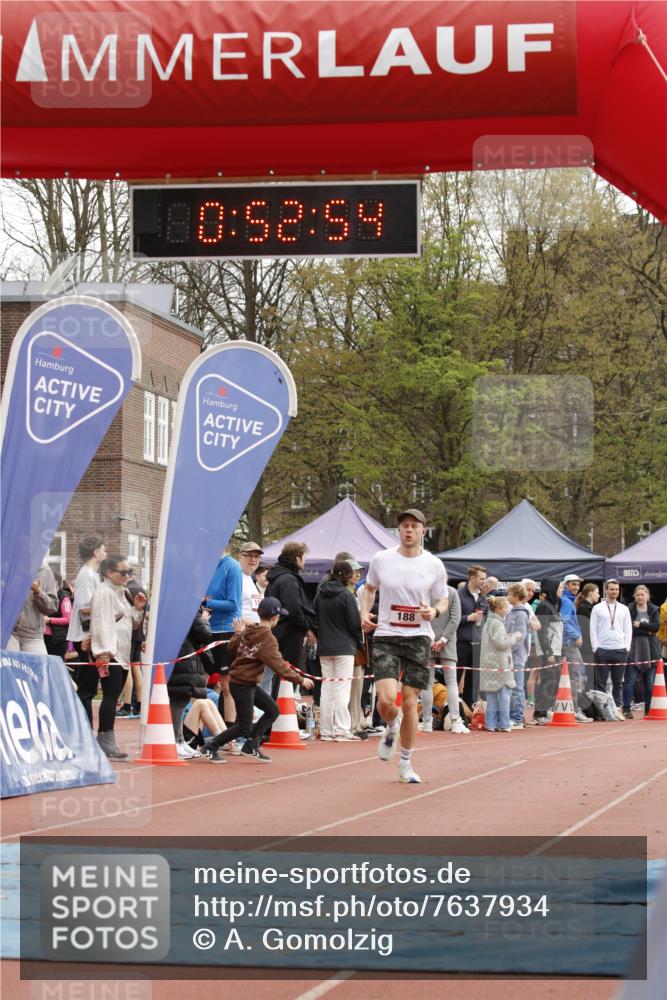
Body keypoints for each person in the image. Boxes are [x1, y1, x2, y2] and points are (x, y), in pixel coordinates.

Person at [360, 508, 448, 784]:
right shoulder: (381, 559)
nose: (408, 530)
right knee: (386, 701)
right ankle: (390, 725)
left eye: (414, 526)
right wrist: (364, 612)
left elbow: (443, 600)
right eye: (404, 526)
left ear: (423, 531)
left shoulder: (434, 564)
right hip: (386, 635)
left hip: (419, 638)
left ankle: (406, 762)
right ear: (399, 531)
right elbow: (369, 589)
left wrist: (433, 612)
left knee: (410, 703)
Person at [204, 597, 314, 762]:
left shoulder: (249, 630)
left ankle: (251, 745)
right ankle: (210, 747)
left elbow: (231, 648)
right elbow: (278, 665)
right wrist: (300, 679)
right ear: (275, 619)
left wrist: (238, 633)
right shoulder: (268, 639)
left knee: (273, 710)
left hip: (244, 682)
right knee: (244, 726)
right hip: (242, 683)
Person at [89, 555, 147, 759]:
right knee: (111, 695)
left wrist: (137, 610)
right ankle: (106, 739)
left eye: (129, 572)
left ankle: (105, 739)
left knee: (114, 695)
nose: (127, 576)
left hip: (122, 652)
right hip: (111, 653)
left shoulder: (121, 592)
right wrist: (104, 652)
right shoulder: (104, 593)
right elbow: (102, 622)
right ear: (108, 573)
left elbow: (129, 623)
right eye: (123, 572)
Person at [314, 560, 363, 741]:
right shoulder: (346, 595)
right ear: (348, 576)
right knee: (342, 688)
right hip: (344, 647)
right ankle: (342, 729)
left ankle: (326, 729)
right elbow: (354, 623)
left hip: (325, 646)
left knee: (327, 687)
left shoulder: (320, 594)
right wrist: (359, 642)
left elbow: (314, 617)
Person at [168, 606, 219, 760]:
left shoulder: (181, 607)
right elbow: (205, 634)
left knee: (181, 701)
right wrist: (204, 620)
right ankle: (176, 741)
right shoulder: (190, 607)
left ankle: (180, 740)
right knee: (178, 701)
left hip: (184, 656)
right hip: (186, 658)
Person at [265, 541, 317, 676]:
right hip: (289, 635)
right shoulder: (288, 579)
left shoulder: (278, 577)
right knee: (287, 677)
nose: (305, 561)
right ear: (297, 558)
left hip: (279, 632)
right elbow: (294, 609)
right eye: (304, 557)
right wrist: (306, 625)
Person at [204, 547, 243, 725]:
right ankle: (196, 734)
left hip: (225, 632)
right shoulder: (206, 565)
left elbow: (233, 604)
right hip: (205, 630)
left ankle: (230, 733)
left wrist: (206, 602)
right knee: (199, 685)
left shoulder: (232, 567)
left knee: (226, 686)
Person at [67, 535, 106, 707]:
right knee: (86, 687)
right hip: (84, 636)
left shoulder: (92, 575)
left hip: (90, 635)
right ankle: (83, 728)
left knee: (89, 687)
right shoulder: (86, 575)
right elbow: (84, 608)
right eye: (103, 550)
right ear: (96, 552)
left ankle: (85, 727)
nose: (106, 553)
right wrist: (107, 608)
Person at [479, 595, 522, 732]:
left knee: (492, 694)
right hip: (500, 663)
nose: (507, 610)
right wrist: (514, 637)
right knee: (505, 693)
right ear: (498, 609)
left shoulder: (489, 622)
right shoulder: (498, 624)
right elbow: (501, 643)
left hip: (489, 662)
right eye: (505, 607)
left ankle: (491, 723)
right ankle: (504, 723)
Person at [429, 584, 468, 734]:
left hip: (428, 640)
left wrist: (432, 639)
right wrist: (444, 639)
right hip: (448, 641)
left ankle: (427, 721)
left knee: (427, 681)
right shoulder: (452, 592)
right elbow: (455, 618)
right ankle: (455, 720)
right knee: (452, 681)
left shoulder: (424, 590)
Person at [590, 579, 632, 709]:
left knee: (618, 683)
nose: (614, 592)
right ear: (606, 590)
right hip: (602, 649)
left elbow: (628, 628)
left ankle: (618, 708)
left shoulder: (624, 609)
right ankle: (602, 710)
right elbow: (593, 628)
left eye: (616, 589)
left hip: (620, 649)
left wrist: (627, 647)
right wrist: (595, 647)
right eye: (612, 589)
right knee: (601, 682)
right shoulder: (597, 608)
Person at [624, 585, 660, 718]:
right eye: (638, 595)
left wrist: (640, 624)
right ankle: (627, 709)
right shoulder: (629, 609)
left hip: (650, 650)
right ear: (634, 596)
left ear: (647, 596)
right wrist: (648, 631)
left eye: (642, 595)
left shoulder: (654, 609)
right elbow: (628, 628)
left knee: (649, 682)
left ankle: (648, 709)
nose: (640, 597)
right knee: (630, 681)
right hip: (633, 648)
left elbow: (656, 627)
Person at [7, 563, 58, 654]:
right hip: (8, 632)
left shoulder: (45, 571)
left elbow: (52, 607)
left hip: (33, 635)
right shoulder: (7, 566)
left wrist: (38, 592)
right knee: (9, 666)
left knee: (39, 666)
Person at [532, 579, 564, 725]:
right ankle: (539, 712)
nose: (562, 590)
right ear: (552, 589)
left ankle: (546, 709)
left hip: (555, 649)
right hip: (549, 651)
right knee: (547, 680)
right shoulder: (544, 607)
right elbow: (542, 631)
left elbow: (557, 632)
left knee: (553, 680)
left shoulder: (553, 606)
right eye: (560, 588)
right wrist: (548, 651)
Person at [456, 565, 488, 708]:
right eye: (481, 578)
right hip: (460, 643)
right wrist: (468, 618)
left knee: (473, 681)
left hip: (478, 643)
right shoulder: (458, 594)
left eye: (485, 579)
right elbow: (451, 619)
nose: (483, 581)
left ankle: (469, 712)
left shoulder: (483, 597)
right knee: (453, 679)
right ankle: (447, 711)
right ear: (472, 577)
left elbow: (485, 617)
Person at [560, 574, 588, 718]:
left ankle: (574, 708)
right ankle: (574, 710)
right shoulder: (566, 601)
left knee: (577, 676)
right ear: (566, 585)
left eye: (577, 585)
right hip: (569, 645)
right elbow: (563, 621)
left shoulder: (568, 600)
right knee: (575, 677)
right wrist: (576, 635)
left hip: (571, 644)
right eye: (573, 584)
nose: (576, 587)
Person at [506, 583, 531, 729]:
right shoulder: (512, 612)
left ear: (516, 596)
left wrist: (507, 647)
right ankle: (513, 715)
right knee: (512, 687)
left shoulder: (521, 614)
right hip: (510, 656)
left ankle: (517, 717)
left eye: (509, 594)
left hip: (516, 656)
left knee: (517, 688)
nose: (507, 597)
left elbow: (519, 637)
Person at [575, 582, 600, 688]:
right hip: (587, 645)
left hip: (590, 645)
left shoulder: (590, 608)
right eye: (597, 593)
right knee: (591, 674)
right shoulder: (584, 608)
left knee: (593, 674)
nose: (599, 595)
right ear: (590, 593)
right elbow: (587, 628)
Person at [43, 573, 73, 658]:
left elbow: (68, 619)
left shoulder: (64, 598)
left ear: (55, 582)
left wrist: (49, 620)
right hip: (44, 637)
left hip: (57, 640)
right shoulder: (45, 595)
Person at [238, 541, 264, 624]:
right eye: (249, 555)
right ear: (240, 556)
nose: (253, 560)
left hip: (253, 632)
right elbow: (231, 611)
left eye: (256, 556)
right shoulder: (235, 576)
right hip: (240, 633)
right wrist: (254, 626)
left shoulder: (249, 578)